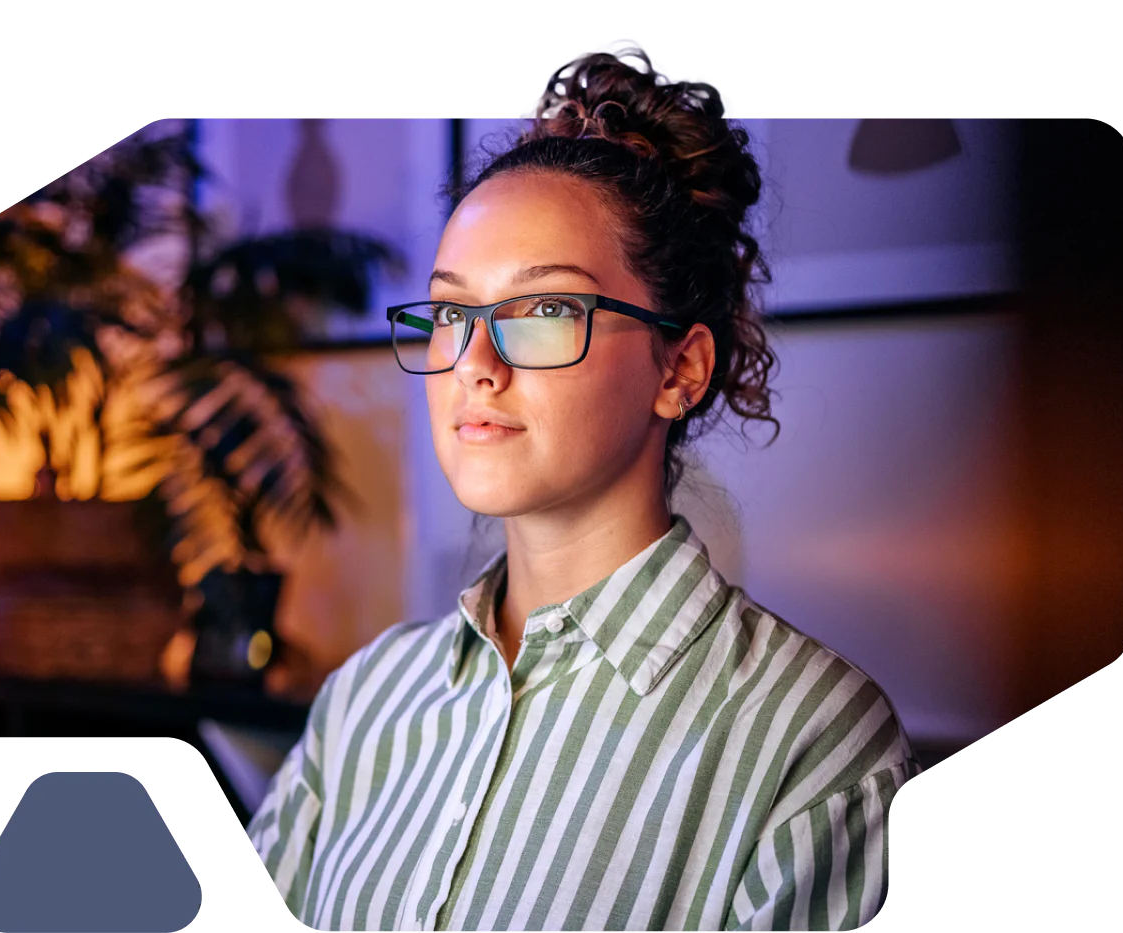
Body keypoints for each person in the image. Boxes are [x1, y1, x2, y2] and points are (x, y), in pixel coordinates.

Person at [246, 37, 922, 932]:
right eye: (453, 312)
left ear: (679, 368)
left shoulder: (817, 744)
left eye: (546, 310)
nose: (474, 362)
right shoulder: (368, 698)